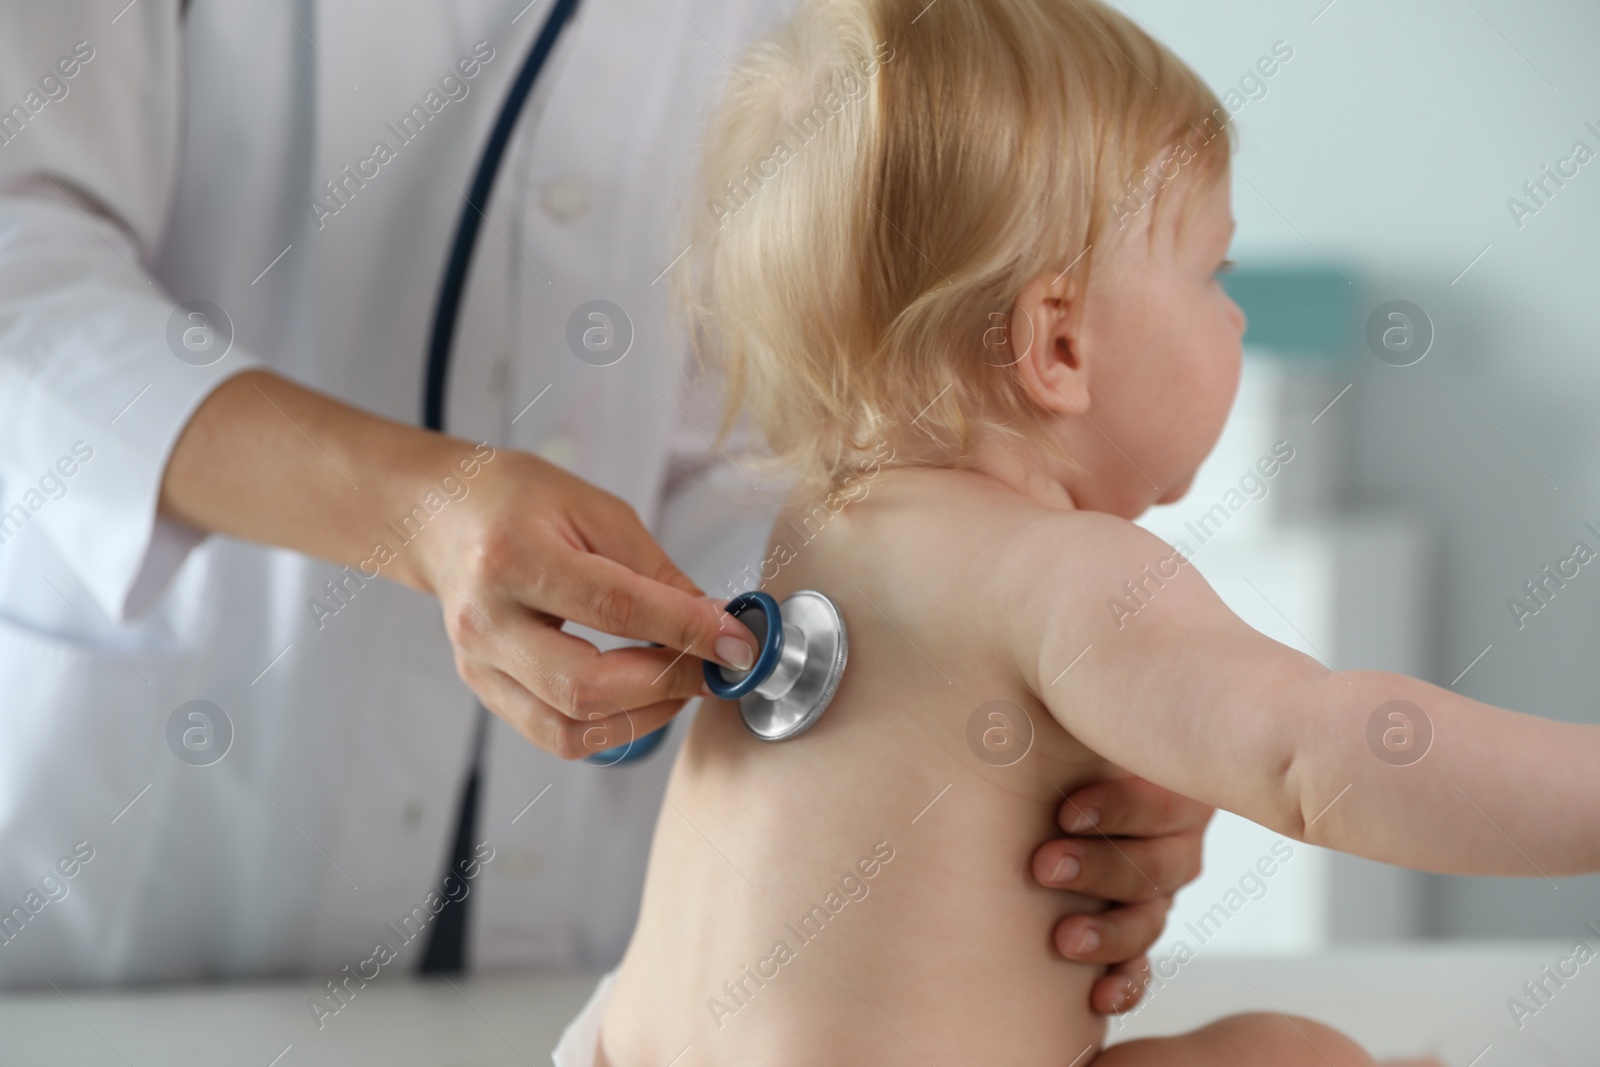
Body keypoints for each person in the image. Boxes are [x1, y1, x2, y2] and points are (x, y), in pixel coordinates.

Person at [0, 0, 1204, 1013]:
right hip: (149, 893)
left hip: (613, 946)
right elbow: (19, 256)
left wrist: (1021, 725)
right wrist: (415, 508)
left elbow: (817, 425)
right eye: (1217, 276)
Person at [561, 0, 1600, 1063]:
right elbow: (1311, 752)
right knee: (1291, 1050)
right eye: (1214, 275)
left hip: (607, 1045)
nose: (1235, 317)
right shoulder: (1054, 573)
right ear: (1056, 346)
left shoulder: (817, 538)